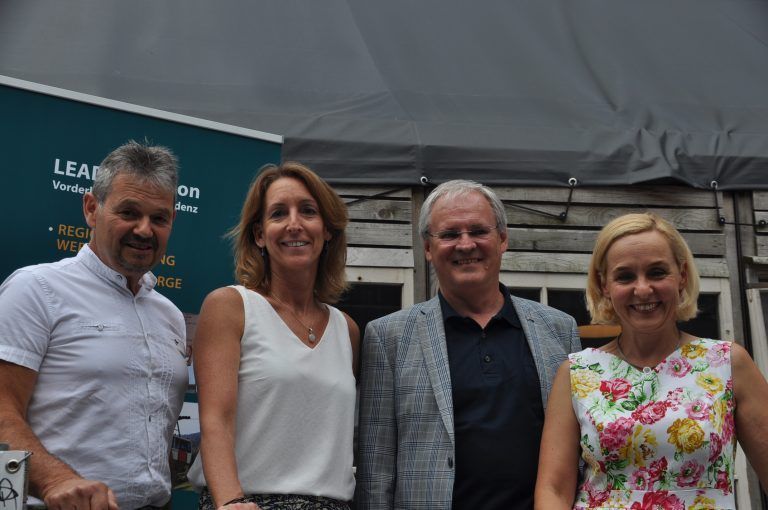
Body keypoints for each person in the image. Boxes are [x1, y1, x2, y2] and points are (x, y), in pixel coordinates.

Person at [355, 179, 581, 510]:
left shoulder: (559, 330)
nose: (465, 244)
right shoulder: (388, 337)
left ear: (503, 239)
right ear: (428, 248)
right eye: (449, 234)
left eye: (478, 231)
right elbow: (376, 469)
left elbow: (578, 455)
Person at [0, 140, 188, 510]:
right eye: (129, 212)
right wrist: (56, 481)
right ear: (91, 208)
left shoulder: (170, 314)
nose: (144, 230)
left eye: (159, 218)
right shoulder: (35, 289)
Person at [535, 212, 768, 509]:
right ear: (604, 284)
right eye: (625, 276)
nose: (643, 289)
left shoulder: (727, 363)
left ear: (682, 275)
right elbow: (554, 490)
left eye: (657, 272)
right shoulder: (577, 373)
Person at [186, 162, 359, 510]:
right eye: (279, 213)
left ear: (327, 230)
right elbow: (216, 420)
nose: (294, 223)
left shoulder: (348, 329)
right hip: (246, 503)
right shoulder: (231, 307)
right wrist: (230, 501)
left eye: (308, 211)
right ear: (259, 235)